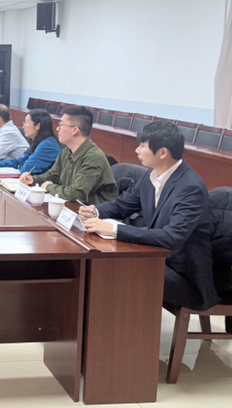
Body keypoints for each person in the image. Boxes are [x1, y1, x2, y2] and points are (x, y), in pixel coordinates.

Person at [79, 121, 218, 311]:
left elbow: (172, 237)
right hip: (157, 258)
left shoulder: (190, 187)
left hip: (185, 276)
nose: (137, 150)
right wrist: (95, 211)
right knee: (107, 263)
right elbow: (123, 205)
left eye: (142, 146)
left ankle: (120, 326)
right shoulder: (151, 176)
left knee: (117, 268)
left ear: (162, 153)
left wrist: (115, 229)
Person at [20, 106, 118, 205]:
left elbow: (76, 194)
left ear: (75, 130)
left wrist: (49, 187)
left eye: (61, 125)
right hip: (74, 206)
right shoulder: (67, 151)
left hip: (96, 211)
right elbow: (52, 176)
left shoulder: (93, 157)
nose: (57, 129)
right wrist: (33, 180)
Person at [0, 108, 61, 174]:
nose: (23, 126)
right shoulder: (38, 142)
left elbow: (26, 169)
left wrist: (21, 165)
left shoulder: (48, 145)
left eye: (26, 122)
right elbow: (20, 161)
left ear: (38, 126)